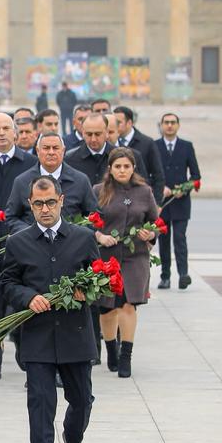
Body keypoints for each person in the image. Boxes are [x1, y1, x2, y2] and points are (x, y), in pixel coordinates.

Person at [0, 175, 99, 443]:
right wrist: (29, 297)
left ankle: (73, 439)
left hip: (75, 332)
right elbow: (7, 283)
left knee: (82, 398)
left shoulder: (83, 238)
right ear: (30, 204)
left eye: (50, 203)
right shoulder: (18, 241)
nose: (44, 209)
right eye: (38, 204)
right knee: (41, 402)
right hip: (38, 334)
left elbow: (100, 279)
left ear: (61, 201)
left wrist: (88, 292)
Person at [91, 147, 158, 378]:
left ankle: (126, 356)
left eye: (126, 166)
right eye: (117, 166)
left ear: (133, 168)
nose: (122, 170)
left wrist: (150, 234)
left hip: (135, 257)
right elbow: (89, 222)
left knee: (129, 305)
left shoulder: (144, 192)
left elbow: (154, 222)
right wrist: (99, 236)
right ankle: (111, 349)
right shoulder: (99, 191)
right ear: (110, 169)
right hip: (107, 258)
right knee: (108, 307)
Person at [0, 113, 34, 381]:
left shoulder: (31, 164)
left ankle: (25, 355)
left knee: (22, 304)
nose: (1, 133)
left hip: (22, 249)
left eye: (5, 128)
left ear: (15, 133)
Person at [5, 132, 98, 232]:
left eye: (55, 148)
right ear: (37, 151)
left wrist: (75, 233)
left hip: (71, 244)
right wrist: (30, 233)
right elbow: (11, 217)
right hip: (33, 244)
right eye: (46, 148)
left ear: (63, 151)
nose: (51, 152)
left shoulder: (80, 180)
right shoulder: (22, 182)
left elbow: (94, 216)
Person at [155, 112, 201, 289]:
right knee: (163, 241)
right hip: (162, 203)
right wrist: (160, 189)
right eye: (166, 122)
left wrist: (185, 188)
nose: (169, 125)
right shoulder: (155, 145)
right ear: (161, 125)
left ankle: (183, 274)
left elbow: (196, 175)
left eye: (173, 122)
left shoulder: (186, 146)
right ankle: (165, 276)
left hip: (181, 202)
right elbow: (149, 173)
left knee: (180, 239)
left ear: (178, 125)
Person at [66, 112, 149, 186]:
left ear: (106, 133)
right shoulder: (70, 159)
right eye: (89, 134)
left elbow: (140, 189)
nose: (93, 139)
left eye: (98, 134)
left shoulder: (127, 157)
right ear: (83, 133)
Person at [113, 106, 165, 196]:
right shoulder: (111, 143)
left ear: (129, 123)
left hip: (139, 197)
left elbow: (158, 175)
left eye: (118, 122)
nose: (115, 125)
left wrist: (156, 202)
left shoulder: (147, 143)